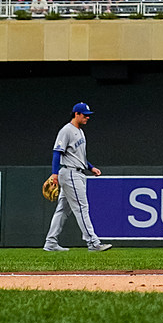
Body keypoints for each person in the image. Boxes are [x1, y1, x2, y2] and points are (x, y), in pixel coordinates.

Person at [43, 101, 109, 251]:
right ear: (76, 114)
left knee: (63, 209)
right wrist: (54, 174)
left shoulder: (80, 131)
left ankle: (50, 242)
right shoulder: (66, 130)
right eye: (85, 115)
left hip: (77, 171)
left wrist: (91, 167)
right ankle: (93, 243)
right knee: (82, 208)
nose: (87, 118)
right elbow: (57, 152)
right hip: (70, 173)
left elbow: (78, 156)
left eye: (88, 115)